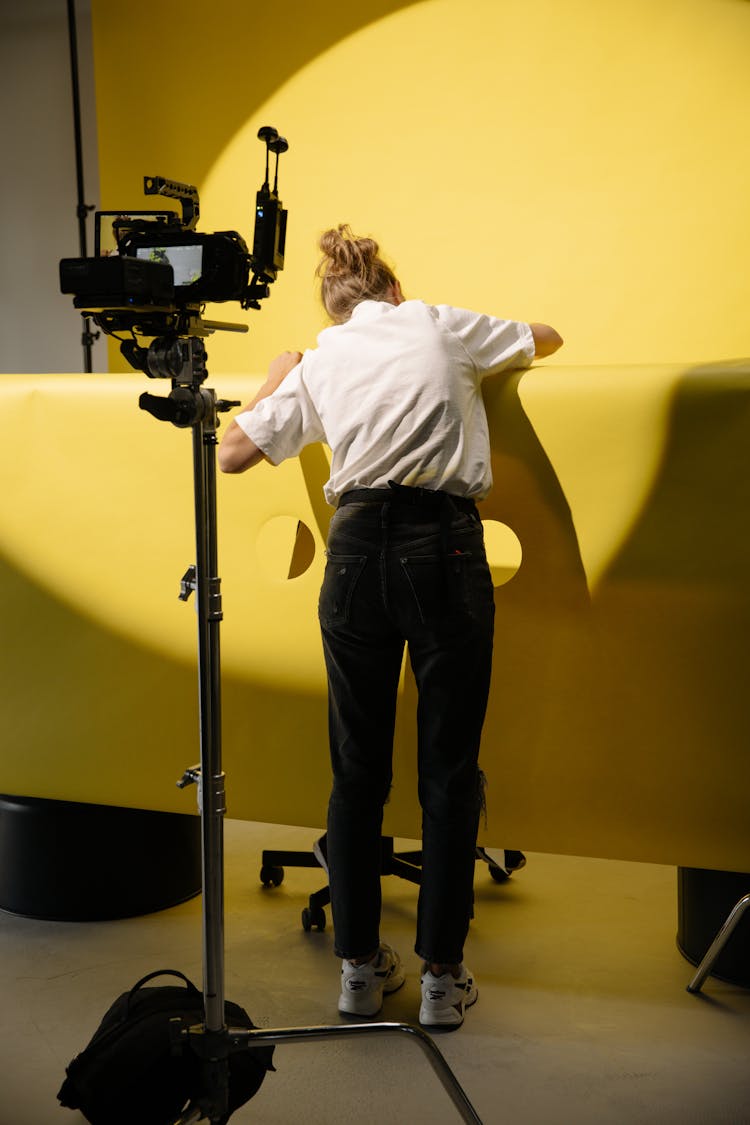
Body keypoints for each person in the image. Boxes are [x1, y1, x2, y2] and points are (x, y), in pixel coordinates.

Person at [218, 225, 563, 1029]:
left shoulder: (322, 358)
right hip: (441, 545)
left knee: (356, 770)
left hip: (353, 551)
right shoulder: (438, 323)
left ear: (337, 307)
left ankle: (358, 973)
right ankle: (443, 978)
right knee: (447, 769)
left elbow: (232, 453)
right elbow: (546, 336)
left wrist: (278, 376)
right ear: (394, 290)